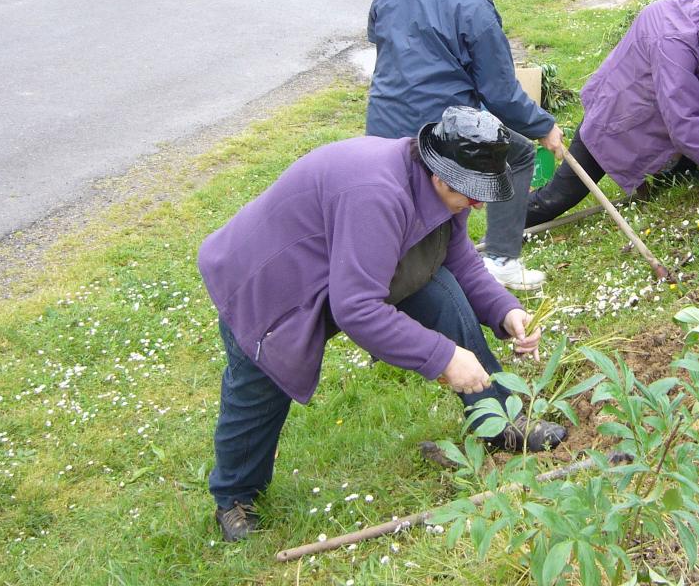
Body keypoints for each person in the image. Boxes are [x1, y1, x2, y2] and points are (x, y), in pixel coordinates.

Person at [200, 106, 567, 543]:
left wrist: (506, 310)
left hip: (348, 262)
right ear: (439, 175)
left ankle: (500, 420)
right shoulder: (377, 194)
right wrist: (445, 358)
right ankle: (235, 494)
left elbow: (460, 259)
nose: (479, 202)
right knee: (260, 384)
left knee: (444, 294)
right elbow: (357, 309)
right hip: (270, 280)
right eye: (473, 193)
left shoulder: (449, 186)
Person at [366, 0, 562, 292]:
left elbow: (376, 33)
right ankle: (501, 260)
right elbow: (502, 95)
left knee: (402, 204)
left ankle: (387, 278)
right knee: (520, 156)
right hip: (441, 133)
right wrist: (544, 127)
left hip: (381, 124)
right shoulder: (474, 9)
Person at [527, 0, 699, 227]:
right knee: (560, 195)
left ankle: (676, 172)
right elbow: (685, 128)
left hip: (662, 114)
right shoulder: (675, 43)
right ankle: (505, 226)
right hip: (618, 118)